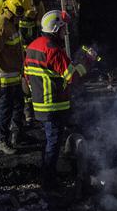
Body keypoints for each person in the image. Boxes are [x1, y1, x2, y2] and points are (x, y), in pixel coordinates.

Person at [23, 10, 90, 189]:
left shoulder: (32, 46)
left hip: (39, 104)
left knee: (48, 140)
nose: (65, 33)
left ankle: (47, 176)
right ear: (55, 29)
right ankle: (49, 182)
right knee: (53, 142)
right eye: (62, 29)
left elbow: (27, 76)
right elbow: (72, 77)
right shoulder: (53, 50)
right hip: (53, 104)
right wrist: (88, 62)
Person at [0, 0, 29, 155]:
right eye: (22, 11)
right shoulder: (2, 26)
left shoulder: (13, 24)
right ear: (16, 9)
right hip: (4, 80)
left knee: (19, 106)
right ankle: (2, 141)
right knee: (4, 111)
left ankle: (17, 136)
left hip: (15, 77)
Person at [0, 0, 38, 124]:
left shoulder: (34, 2)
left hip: (29, 45)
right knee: (8, 102)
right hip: (11, 50)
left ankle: (26, 115)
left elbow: (40, 24)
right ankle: (7, 134)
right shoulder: (4, 4)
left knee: (28, 81)